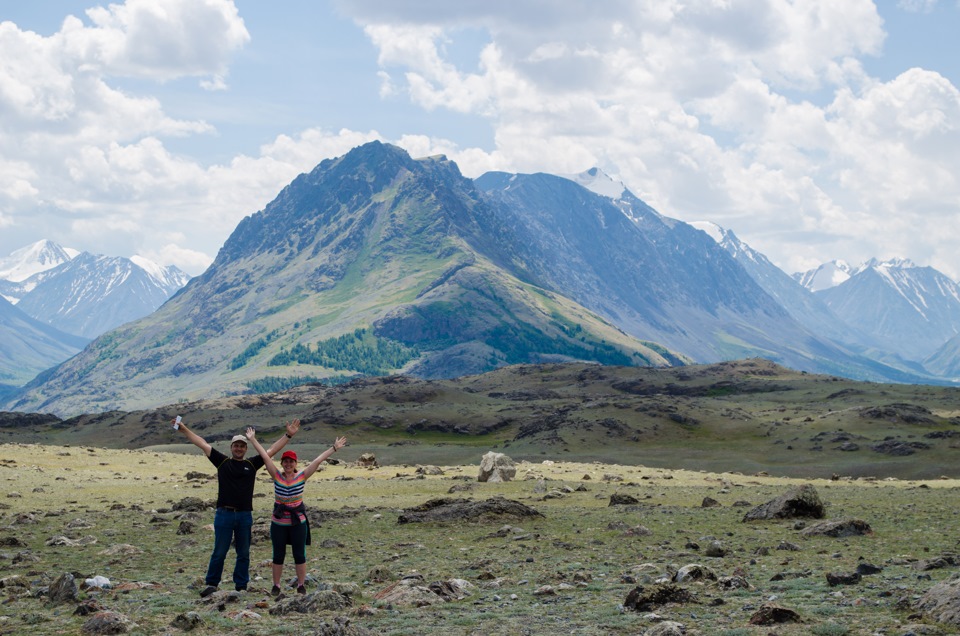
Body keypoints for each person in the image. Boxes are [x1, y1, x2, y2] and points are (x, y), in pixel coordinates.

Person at [175, 416, 300, 596]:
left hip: (244, 516)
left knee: (243, 553)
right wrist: (184, 428)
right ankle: (212, 583)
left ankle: (241, 585)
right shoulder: (222, 462)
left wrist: (288, 435)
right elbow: (202, 444)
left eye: (242, 446)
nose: (239, 448)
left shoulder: (252, 464)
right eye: (236, 446)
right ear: (231, 448)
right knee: (219, 551)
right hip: (224, 514)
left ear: (245, 448)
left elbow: (271, 451)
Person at [245, 425, 346, 595]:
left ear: (295, 463)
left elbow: (317, 460)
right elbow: (265, 456)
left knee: (299, 554)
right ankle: (276, 586)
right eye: (285, 461)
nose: (288, 464)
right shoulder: (276, 475)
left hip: (298, 522)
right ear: (282, 463)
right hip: (278, 523)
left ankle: (301, 585)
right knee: (278, 555)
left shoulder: (302, 476)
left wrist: (334, 448)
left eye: (291, 461)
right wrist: (253, 439)